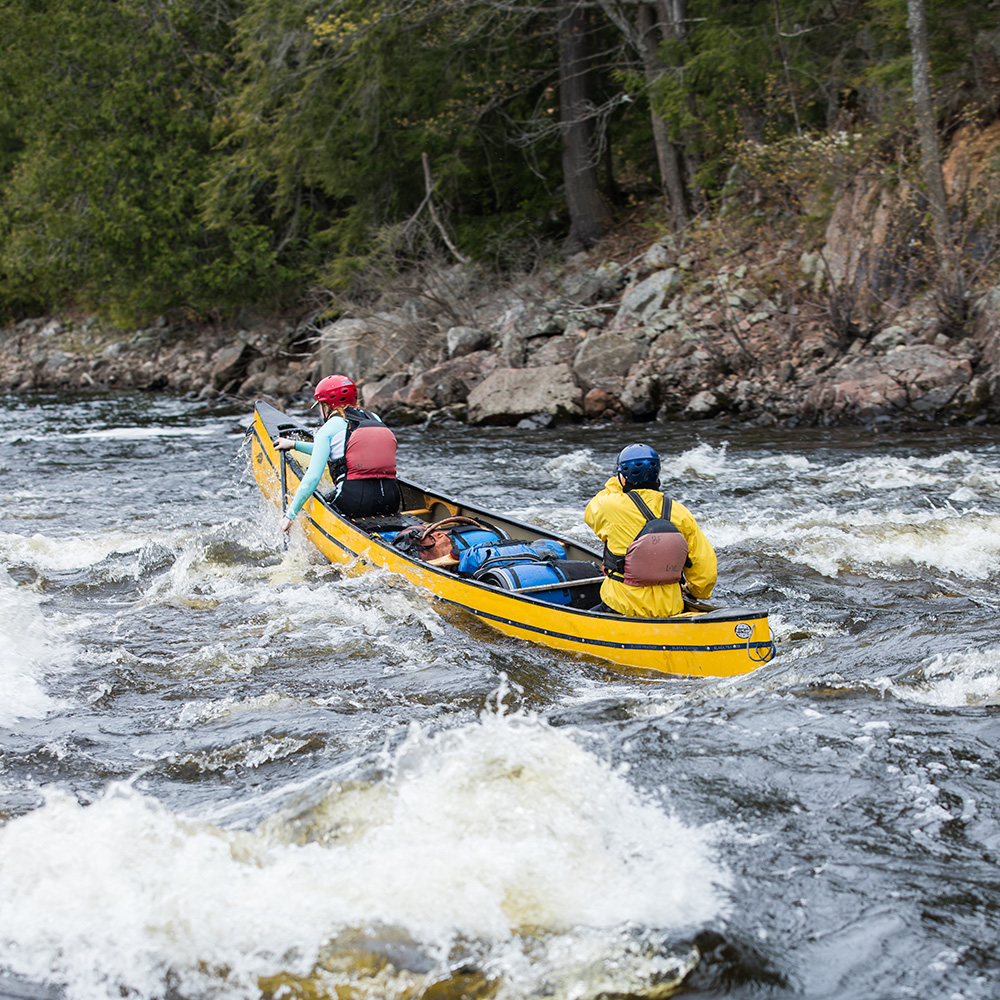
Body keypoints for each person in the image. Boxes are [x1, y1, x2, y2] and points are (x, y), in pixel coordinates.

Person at [584, 443, 716, 617]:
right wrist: (697, 592)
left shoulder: (608, 506)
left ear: (623, 477)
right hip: (670, 608)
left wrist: (618, 481)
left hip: (621, 606)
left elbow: (590, 513)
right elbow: (705, 569)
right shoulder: (681, 513)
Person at [273, 375, 400, 531]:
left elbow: (312, 477)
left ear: (327, 405)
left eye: (320, 405)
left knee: (315, 499)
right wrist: (294, 445)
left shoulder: (328, 428)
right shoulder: (374, 418)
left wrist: (289, 515)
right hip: (391, 500)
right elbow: (342, 452)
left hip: (355, 503)